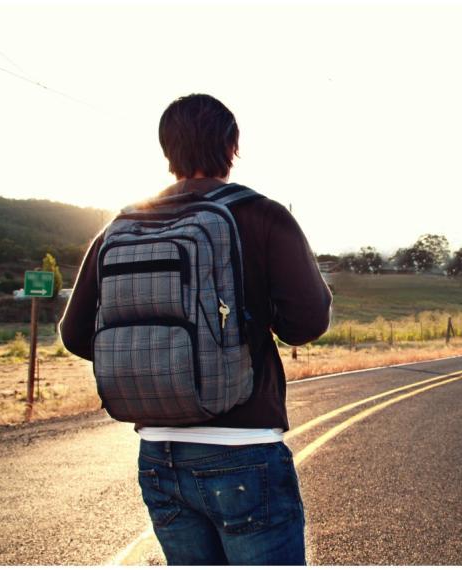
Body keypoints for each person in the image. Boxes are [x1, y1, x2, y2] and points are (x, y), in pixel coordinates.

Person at [60, 93, 331, 565]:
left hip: (158, 454)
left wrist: (155, 361)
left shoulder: (122, 224)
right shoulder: (263, 215)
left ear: (167, 150)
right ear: (232, 146)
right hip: (244, 448)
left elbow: (75, 333)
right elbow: (307, 323)